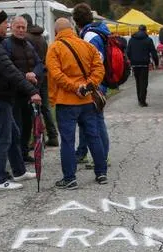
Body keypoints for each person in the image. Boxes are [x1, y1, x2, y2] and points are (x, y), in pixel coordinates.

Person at [0, 9, 41, 191]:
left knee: (14, 134)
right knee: (3, 139)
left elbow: (10, 69)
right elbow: (9, 71)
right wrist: (32, 91)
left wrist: (25, 81)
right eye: (5, 24)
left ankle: (18, 171)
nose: (8, 27)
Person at [46, 17, 107, 189]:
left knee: (67, 140)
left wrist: (74, 87)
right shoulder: (87, 46)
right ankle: (101, 173)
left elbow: (56, 74)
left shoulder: (54, 48)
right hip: (87, 101)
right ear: (72, 29)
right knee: (93, 136)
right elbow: (99, 67)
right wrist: (89, 85)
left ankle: (70, 178)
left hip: (66, 102)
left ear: (57, 31)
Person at [71, 3, 110, 170]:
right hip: (100, 82)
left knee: (97, 121)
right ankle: (85, 152)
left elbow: (95, 62)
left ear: (76, 21)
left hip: (94, 85)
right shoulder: (98, 30)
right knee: (89, 120)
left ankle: (102, 157)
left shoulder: (89, 36)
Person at [4, 16, 44, 163]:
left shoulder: (28, 44)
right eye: (18, 27)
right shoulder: (6, 45)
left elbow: (40, 63)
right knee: (17, 125)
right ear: (11, 27)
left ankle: (24, 152)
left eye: (23, 27)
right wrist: (25, 75)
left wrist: (34, 73)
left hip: (29, 92)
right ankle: (17, 156)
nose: (21, 30)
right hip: (14, 92)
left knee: (28, 125)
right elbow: (7, 67)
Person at [22, 13, 59, 147]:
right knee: (46, 108)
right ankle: (53, 136)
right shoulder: (41, 37)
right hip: (44, 74)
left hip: (33, 76)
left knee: (33, 108)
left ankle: (38, 138)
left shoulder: (26, 38)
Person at [126, 24, 158, 107]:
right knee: (144, 82)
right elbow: (153, 52)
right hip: (144, 64)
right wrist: (156, 63)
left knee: (138, 82)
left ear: (138, 30)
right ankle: (142, 101)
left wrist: (132, 59)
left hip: (135, 64)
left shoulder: (131, 39)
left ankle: (139, 99)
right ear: (145, 30)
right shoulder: (148, 40)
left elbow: (128, 52)